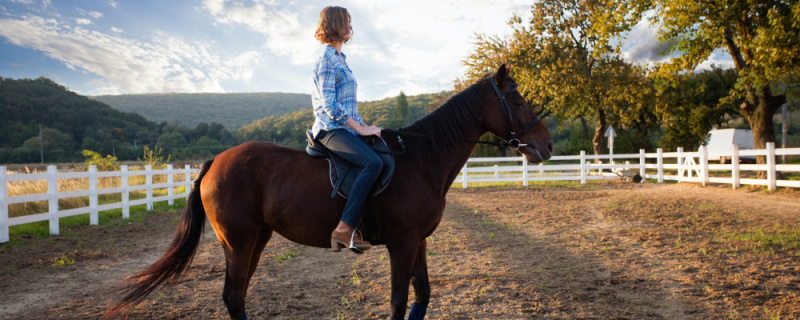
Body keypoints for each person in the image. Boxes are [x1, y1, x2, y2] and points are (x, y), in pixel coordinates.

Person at [311, 6, 383, 253]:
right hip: (330, 129)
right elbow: (330, 105)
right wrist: (359, 130)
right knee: (372, 163)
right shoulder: (327, 60)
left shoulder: (342, 60)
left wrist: (365, 126)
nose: (351, 26)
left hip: (346, 127)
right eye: (346, 22)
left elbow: (349, 107)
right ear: (333, 25)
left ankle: (366, 225)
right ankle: (344, 227)